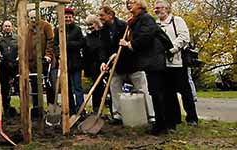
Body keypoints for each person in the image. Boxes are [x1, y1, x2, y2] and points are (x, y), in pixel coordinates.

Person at [116, 0, 175, 134]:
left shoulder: (146, 18)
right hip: (149, 61)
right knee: (155, 92)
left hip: (154, 60)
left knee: (157, 92)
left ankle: (162, 125)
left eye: (132, 2)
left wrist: (129, 44)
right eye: (127, 2)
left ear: (140, 4)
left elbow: (146, 36)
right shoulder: (136, 20)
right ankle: (162, 124)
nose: (128, 4)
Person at [155, 0, 198, 127]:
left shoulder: (177, 20)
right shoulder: (155, 24)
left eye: (159, 7)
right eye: (155, 8)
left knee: (185, 91)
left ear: (167, 8)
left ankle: (192, 118)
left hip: (179, 62)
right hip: (164, 63)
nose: (157, 10)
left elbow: (184, 37)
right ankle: (174, 118)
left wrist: (172, 49)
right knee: (169, 92)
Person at [54, 8, 85, 115]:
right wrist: (58, 55)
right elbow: (55, 45)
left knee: (77, 87)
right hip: (64, 62)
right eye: (66, 17)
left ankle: (80, 109)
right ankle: (70, 108)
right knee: (66, 88)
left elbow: (81, 43)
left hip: (75, 62)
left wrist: (66, 44)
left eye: (69, 17)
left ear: (73, 18)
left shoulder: (77, 29)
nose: (68, 19)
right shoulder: (58, 30)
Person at [27, 10, 55, 117]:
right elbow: (25, 43)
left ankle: (51, 108)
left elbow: (51, 41)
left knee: (49, 84)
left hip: (45, 61)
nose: (34, 20)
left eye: (35, 18)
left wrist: (48, 54)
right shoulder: (27, 28)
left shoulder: (46, 26)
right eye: (31, 18)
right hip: (33, 62)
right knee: (34, 86)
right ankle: (37, 108)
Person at [83, 14, 108, 114]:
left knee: (108, 88)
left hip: (105, 64)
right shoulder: (87, 38)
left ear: (97, 23)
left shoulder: (103, 35)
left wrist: (104, 61)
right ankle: (96, 109)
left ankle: (113, 110)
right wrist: (87, 70)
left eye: (91, 24)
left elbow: (104, 49)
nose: (90, 27)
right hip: (94, 67)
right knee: (96, 89)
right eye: (88, 25)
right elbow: (86, 55)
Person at [0, 20, 19, 118]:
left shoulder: (17, 38)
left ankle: (22, 108)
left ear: (12, 27)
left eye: (9, 26)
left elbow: (20, 49)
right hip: (4, 67)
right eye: (5, 26)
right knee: (5, 89)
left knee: (19, 87)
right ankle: (6, 108)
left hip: (15, 66)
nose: (7, 27)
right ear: (2, 27)